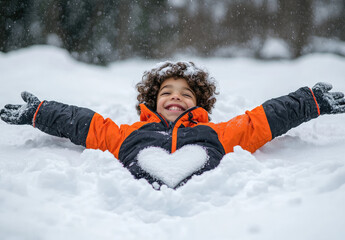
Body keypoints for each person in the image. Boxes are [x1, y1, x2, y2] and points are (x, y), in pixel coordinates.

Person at [1, 61, 345, 189]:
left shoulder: (217, 133)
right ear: (153, 101)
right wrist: (41, 113)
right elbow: (86, 124)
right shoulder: (129, 135)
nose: (176, 97)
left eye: (186, 94)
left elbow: (261, 121)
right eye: (167, 92)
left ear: (199, 104)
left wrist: (307, 102)